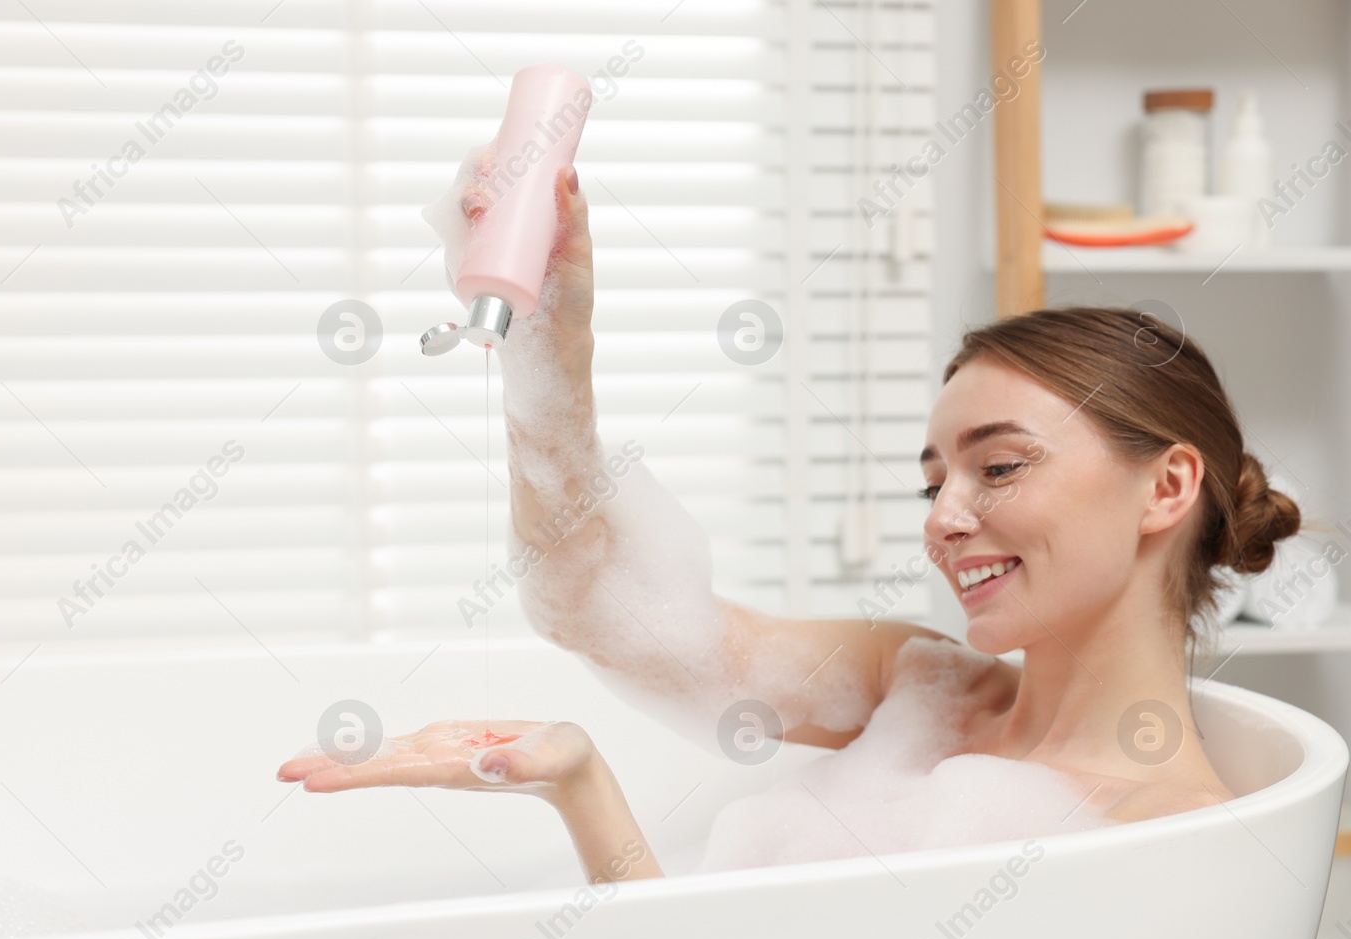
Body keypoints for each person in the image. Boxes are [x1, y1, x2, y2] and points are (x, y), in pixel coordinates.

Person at [278, 163, 1304, 886]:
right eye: (931, 481)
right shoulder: (923, 685)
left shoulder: (1165, 841)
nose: (945, 519)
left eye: (997, 466)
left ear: (1167, 488)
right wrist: (552, 339)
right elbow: (611, 610)